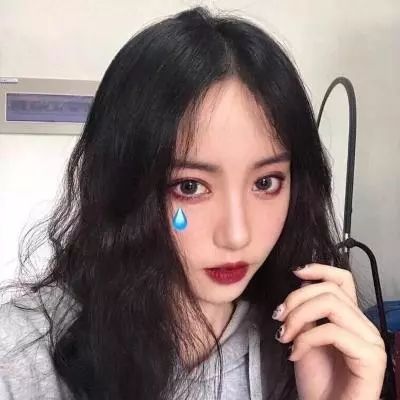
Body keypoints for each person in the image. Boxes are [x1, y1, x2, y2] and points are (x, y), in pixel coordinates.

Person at [0, 6, 387, 400]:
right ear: (124, 185)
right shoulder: (18, 359)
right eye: (189, 187)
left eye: (266, 182)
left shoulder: (311, 349)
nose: (237, 236)